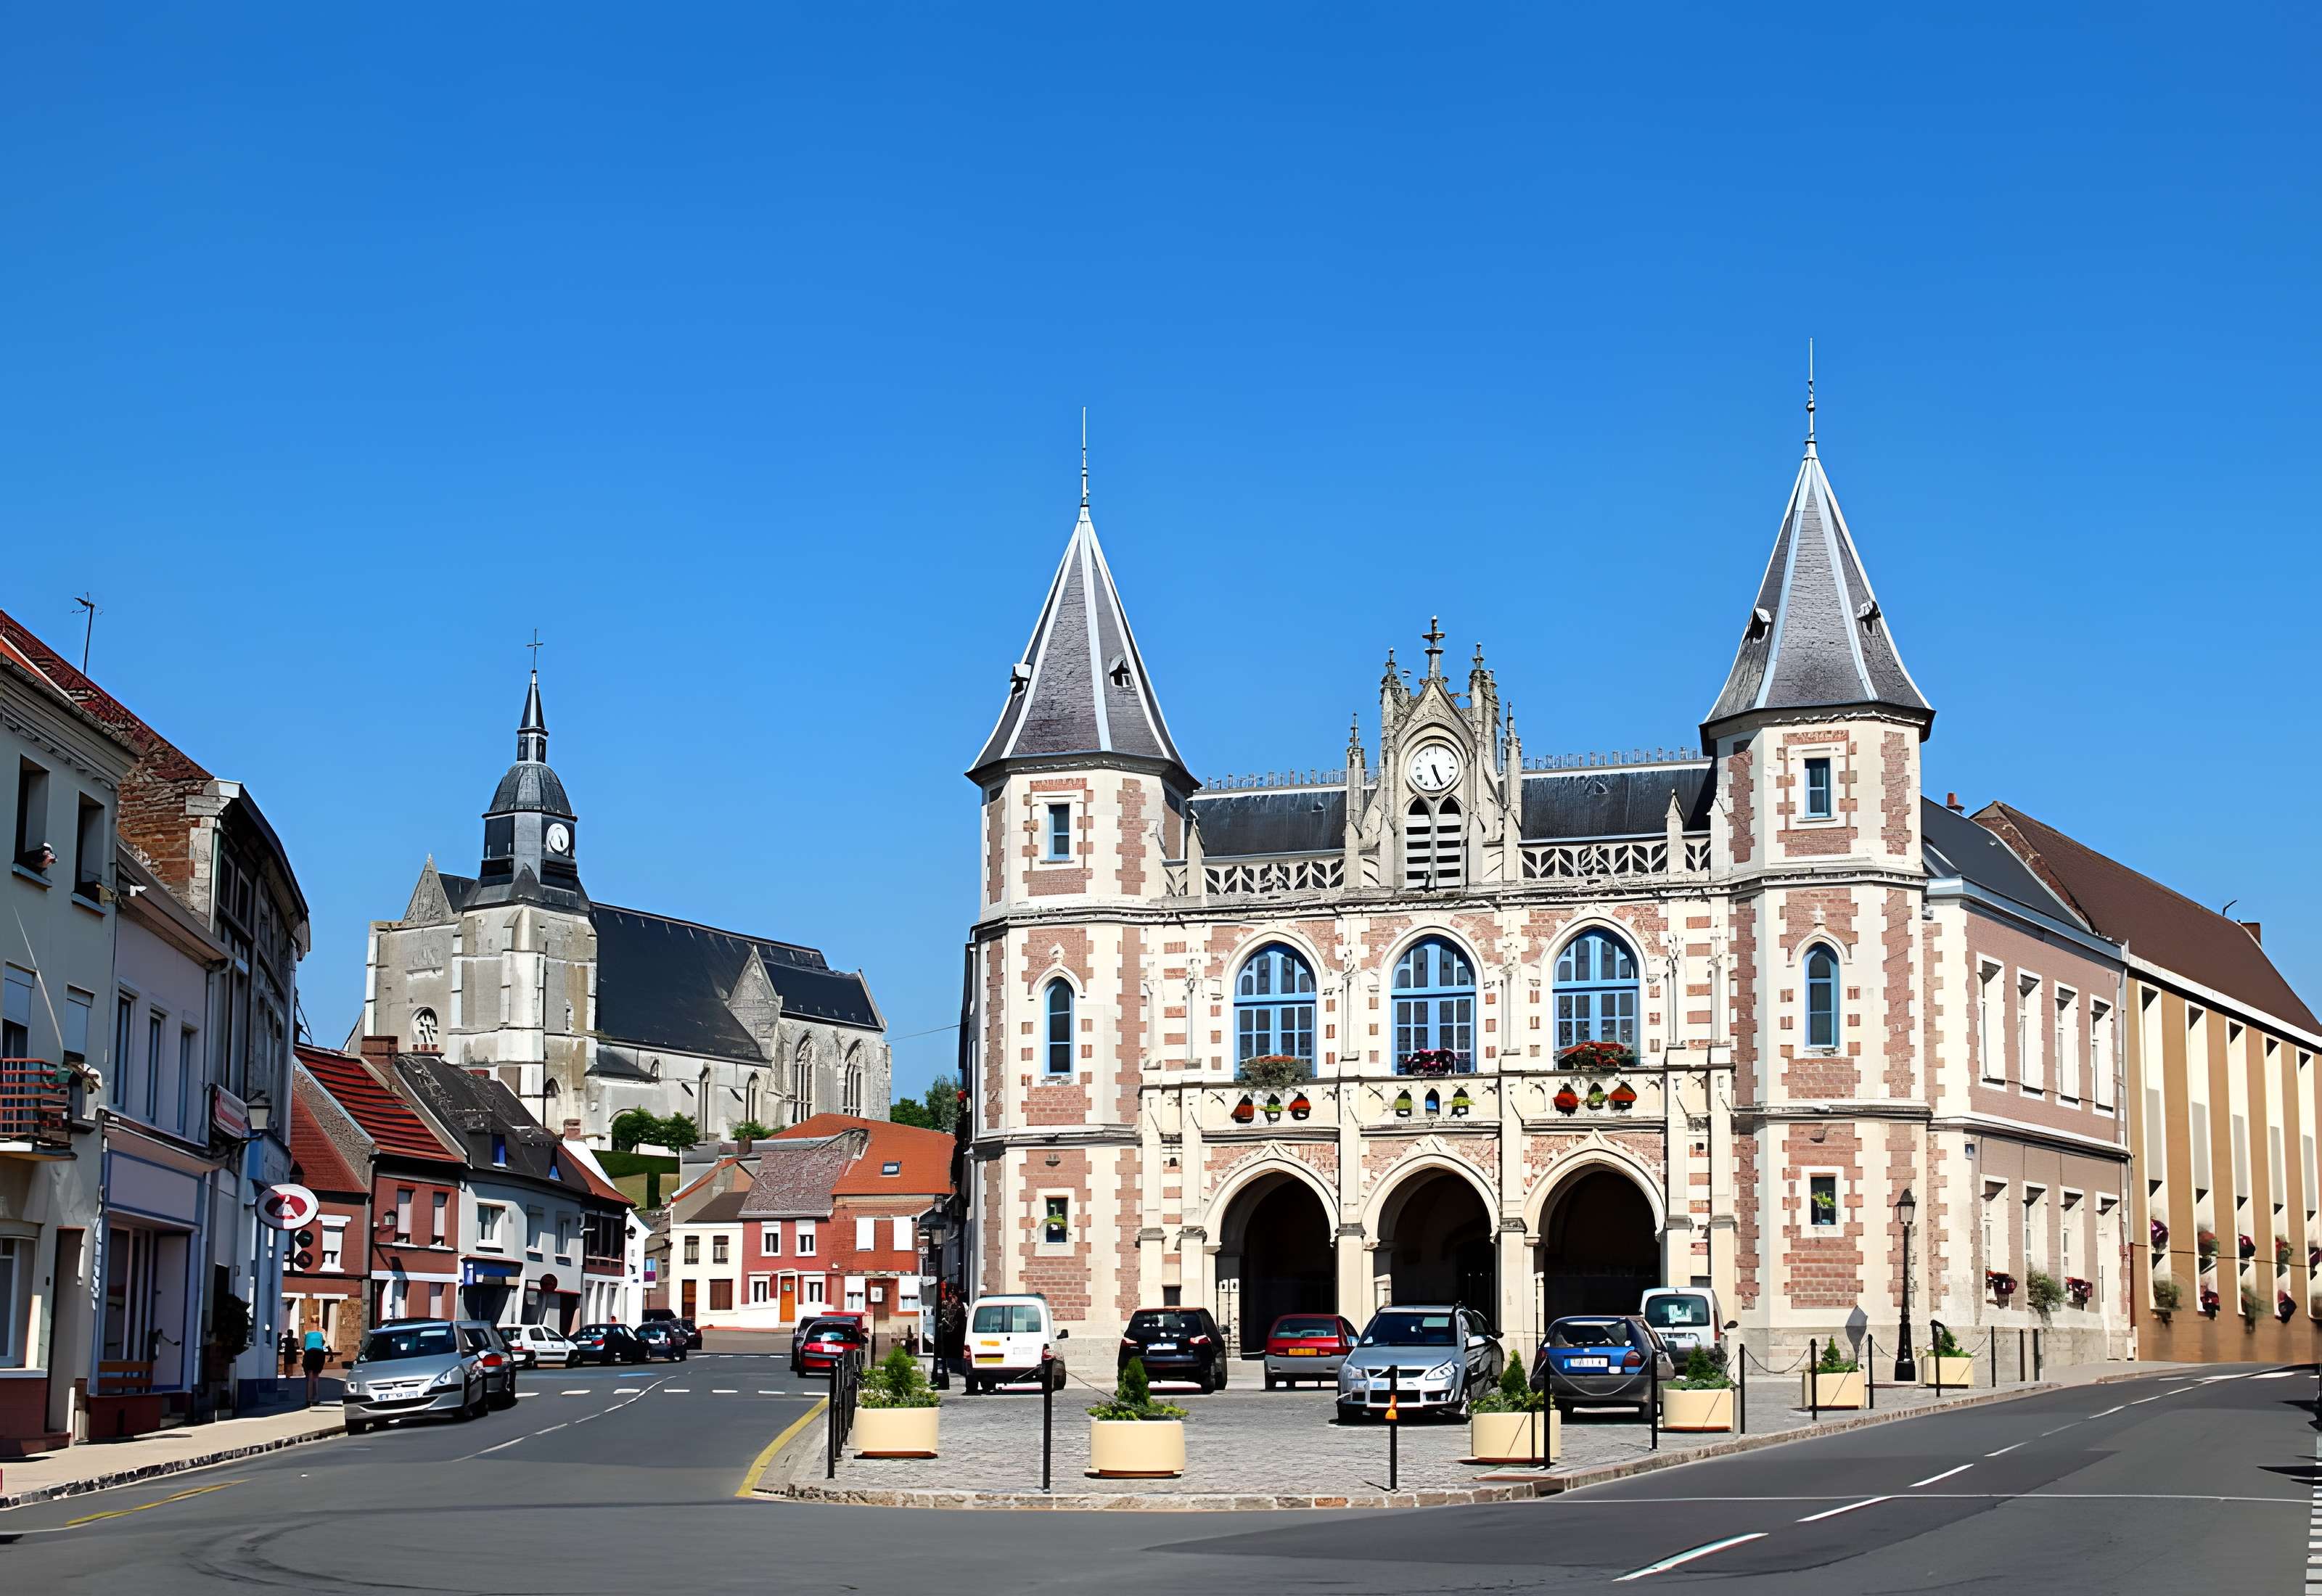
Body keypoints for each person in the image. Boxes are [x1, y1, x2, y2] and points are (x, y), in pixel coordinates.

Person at [301, 1325, 328, 1407]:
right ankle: (316, 1398)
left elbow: (303, 1346)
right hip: (319, 1354)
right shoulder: (321, 1333)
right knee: (316, 1377)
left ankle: (309, 1399)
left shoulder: (307, 1333)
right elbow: (324, 1343)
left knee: (310, 1377)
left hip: (309, 1354)